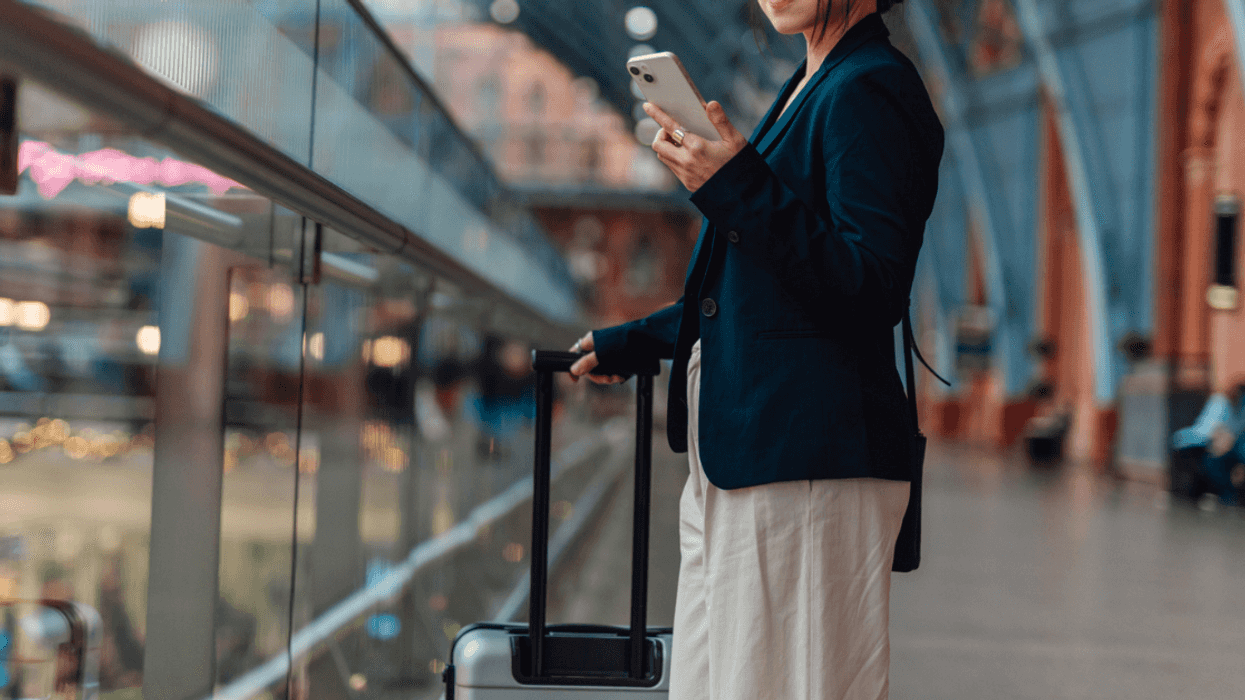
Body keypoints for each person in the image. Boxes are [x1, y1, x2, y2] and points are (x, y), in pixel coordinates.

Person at [568, 1, 943, 698]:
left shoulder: (871, 87)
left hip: (806, 456)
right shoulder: (809, 82)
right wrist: (636, 341)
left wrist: (733, 184)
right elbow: (756, 290)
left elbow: (871, 286)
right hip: (746, 452)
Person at [1171, 380, 1245, 506]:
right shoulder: (1220, 402)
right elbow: (1208, 430)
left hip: (1221, 445)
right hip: (1202, 442)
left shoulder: (1236, 408)